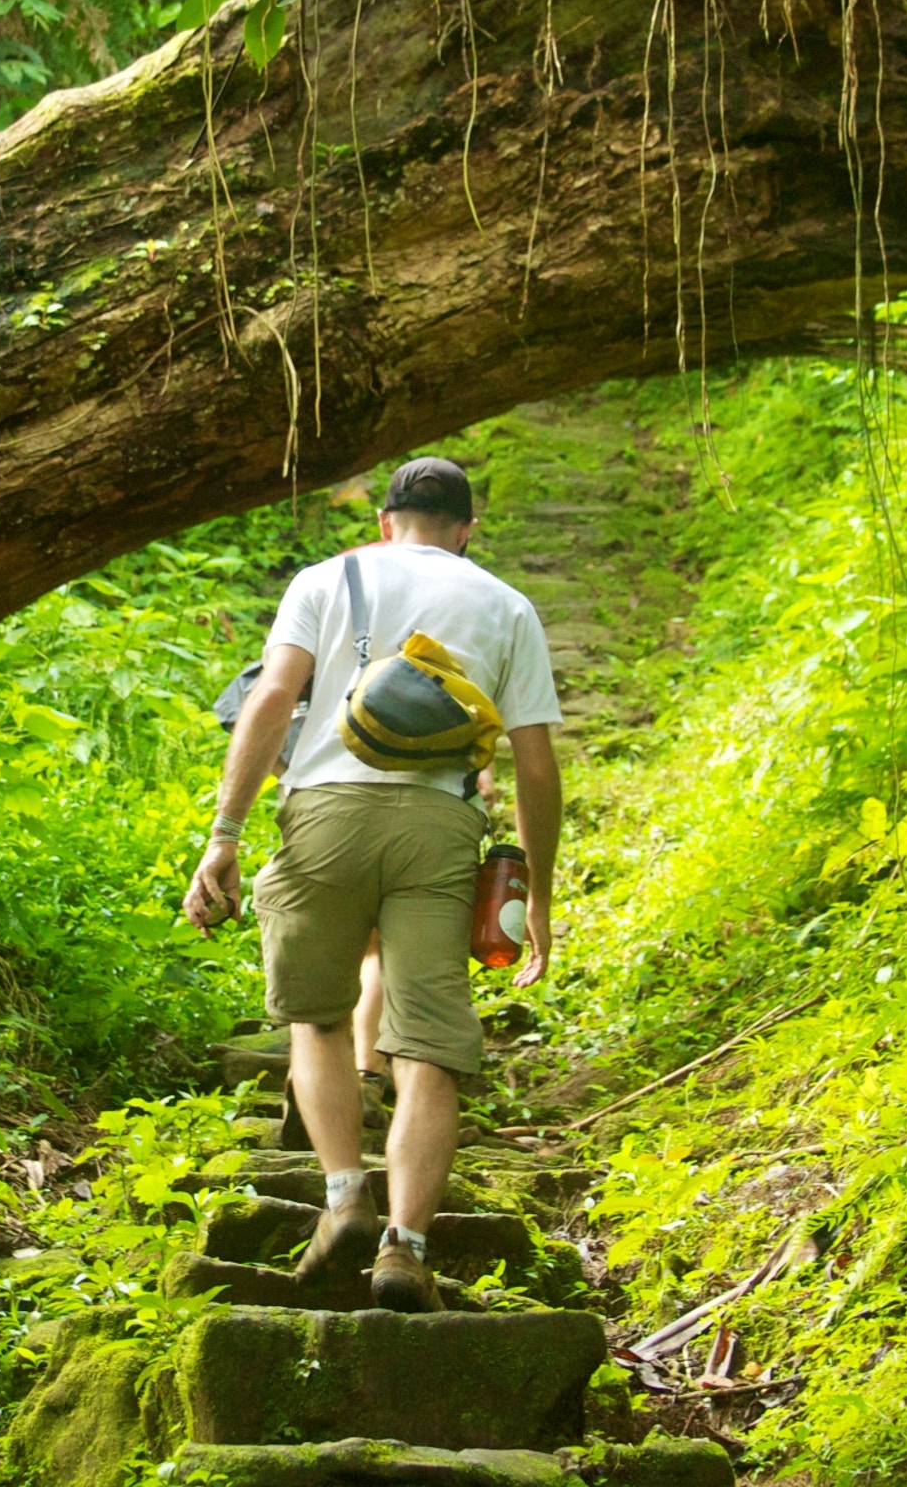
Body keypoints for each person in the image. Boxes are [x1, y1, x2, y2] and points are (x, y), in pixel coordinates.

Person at [183, 456, 563, 1312]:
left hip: (323, 811)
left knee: (316, 1018)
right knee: (428, 1044)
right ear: (466, 532)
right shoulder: (506, 604)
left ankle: (346, 1196)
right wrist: (535, 893)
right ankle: (408, 1248)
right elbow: (535, 765)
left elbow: (274, 696)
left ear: (385, 522)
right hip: (438, 829)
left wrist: (226, 835)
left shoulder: (327, 578)